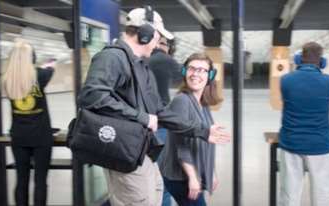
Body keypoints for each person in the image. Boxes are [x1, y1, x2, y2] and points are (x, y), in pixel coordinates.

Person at [79, 7, 228, 205]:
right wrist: (143, 118)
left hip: (143, 150)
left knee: (155, 196)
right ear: (145, 35)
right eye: (158, 37)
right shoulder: (112, 57)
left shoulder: (140, 66)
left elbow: (160, 111)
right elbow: (92, 96)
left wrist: (202, 131)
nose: (158, 43)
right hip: (125, 152)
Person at [156, 53, 230, 206]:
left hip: (192, 171)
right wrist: (193, 177)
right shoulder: (181, 101)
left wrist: (210, 171)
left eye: (202, 70)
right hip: (180, 176)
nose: (196, 74)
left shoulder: (202, 102)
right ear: (185, 72)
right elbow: (181, 145)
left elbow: (206, 140)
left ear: (210, 76)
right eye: (192, 68)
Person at [278, 42, 329, 206]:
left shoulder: (286, 80)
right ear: (322, 61)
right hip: (320, 145)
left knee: (289, 195)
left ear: (298, 59)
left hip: (291, 143)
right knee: (323, 195)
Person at [0, 39, 55, 206]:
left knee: (21, 181)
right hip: (41, 137)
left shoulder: (6, 80)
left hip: (19, 137)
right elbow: (51, 68)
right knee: (40, 181)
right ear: (31, 58)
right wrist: (50, 63)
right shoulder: (40, 75)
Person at [148, 31, 179, 206]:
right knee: (163, 177)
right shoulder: (165, 60)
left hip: (138, 125)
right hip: (160, 122)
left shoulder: (138, 59)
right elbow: (186, 77)